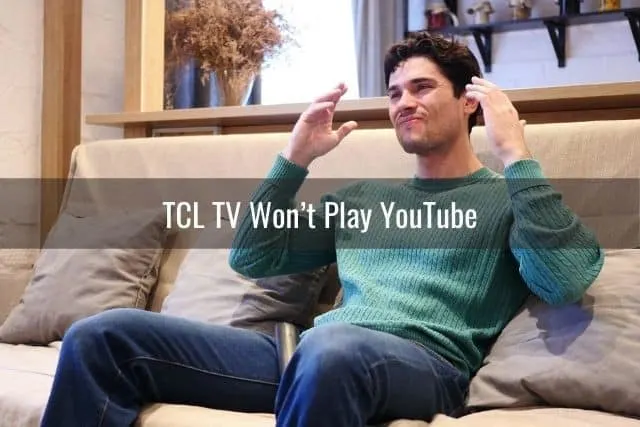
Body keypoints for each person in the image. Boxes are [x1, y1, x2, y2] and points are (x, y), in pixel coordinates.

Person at [39, 32, 603, 427]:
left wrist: (516, 155)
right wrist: (294, 159)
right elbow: (254, 256)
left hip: (426, 367)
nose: (404, 103)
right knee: (103, 336)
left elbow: (564, 278)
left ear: (469, 103)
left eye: (422, 88)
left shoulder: (510, 197)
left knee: (334, 348)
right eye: (395, 93)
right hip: (313, 357)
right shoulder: (362, 199)